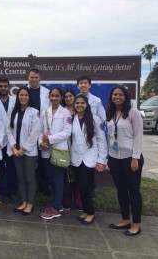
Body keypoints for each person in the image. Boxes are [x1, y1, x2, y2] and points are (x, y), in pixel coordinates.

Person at [106, 85, 144, 236]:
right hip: (115, 158)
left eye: (120, 94)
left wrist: (135, 157)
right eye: (115, 94)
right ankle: (125, 219)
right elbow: (109, 136)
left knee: (133, 190)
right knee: (121, 190)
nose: (117, 97)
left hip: (130, 158)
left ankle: (136, 224)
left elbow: (138, 136)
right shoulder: (110, 112)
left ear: (125, 96)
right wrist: (108, 156)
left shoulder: (133, 113)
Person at [70, 94, 107, 224]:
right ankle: (85, 211)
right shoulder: (72, 119)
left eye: (82, 103)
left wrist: (102, 160)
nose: (79, 105)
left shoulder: (95, 119)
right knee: (80, 186)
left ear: (86, 105)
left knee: (86, 187)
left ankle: (90, 213)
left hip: (90, 158)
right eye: (77, 103)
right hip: (76, 158)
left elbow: (102, 141)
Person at [39, 87, 72, 220]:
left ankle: (57, 207)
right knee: (51, 179)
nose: (54, 98)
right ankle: (55, 203)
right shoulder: (44, 112)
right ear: (49, 97)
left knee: (58, 179)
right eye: (52, 96)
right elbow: (40, 130)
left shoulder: (65, 113)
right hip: (47, 150)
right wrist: (41, 143)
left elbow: (67, 132)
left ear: (61, 97)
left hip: (59, 151)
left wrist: (50, 139)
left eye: (57, 96)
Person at [7, 87, 40, 215]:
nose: (23, 97)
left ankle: (30, 203)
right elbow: (8, 130)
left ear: (29, 97)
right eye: (21, 95)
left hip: (29, 152)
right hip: (16, 151)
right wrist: (13, 147)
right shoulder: (13, 111)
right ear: (18, 96)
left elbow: (35, 133)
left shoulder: (34, 112)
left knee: (29, 178)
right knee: (20, 178)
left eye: (26, 95)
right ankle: (24, 202)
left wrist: (23, 148)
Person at [0, 79, 17, 203]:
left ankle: (12, 192)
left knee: (12, 168)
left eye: (5, 86)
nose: (3, 88)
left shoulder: (15, 100)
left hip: (12, 139)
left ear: (9, 87)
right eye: (0, 86)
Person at [26, 68, 50, 194]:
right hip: (27, 132)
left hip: (42, 131)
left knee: (43, 161)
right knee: (28, 161)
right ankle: (30, 186)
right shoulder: (23, 92)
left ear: (39, 78)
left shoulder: (47, 93)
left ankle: (43, 187)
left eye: (36, 77)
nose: (34, 79)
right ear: (28, 78)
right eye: (31, 77)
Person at [60, 88, 82, 211]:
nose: (68, 98)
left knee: (78, 177)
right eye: (66, 96)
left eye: (70, 96)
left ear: (75, 97)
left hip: (79, 149)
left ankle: (78, 201)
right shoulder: (62, 111)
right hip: (66, 149)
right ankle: (66, 201)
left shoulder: (80, 110)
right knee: (67, 177)